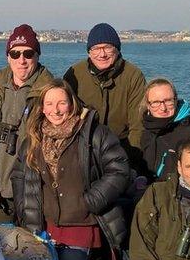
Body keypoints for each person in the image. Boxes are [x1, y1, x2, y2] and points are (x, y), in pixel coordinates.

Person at [12, 80, 131, 260]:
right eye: (49, 104)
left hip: (81, 228)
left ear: (72, 104)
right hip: (44, 230)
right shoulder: (34, 138)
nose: (55, 110)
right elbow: (19, 175)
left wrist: (92, 200)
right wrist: (25, 209)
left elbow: (119, 169)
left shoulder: (93, 133)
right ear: (42, 106)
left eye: (61, 103)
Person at [0, 24, 54, 222]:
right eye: (15, 54)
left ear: (37, 56)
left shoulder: (50, 92)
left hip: (33, 194)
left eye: (28, 53)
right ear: (8, 57)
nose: (22, 60)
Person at [63, 23, 146, 171]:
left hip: (122, 149)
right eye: (96, 49)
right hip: (83, 151)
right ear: (89, 52)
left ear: (117, 49)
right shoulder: (75, 73)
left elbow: (137, 126)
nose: (102, 54)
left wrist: (129, 163)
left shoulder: (133, 75)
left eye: (107, 47)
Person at [139, 78, 190, 183]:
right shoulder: (147, 131)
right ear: (148, 105)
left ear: (175, 101)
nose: (163, 108)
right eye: (156, 102)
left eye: (168, 101)